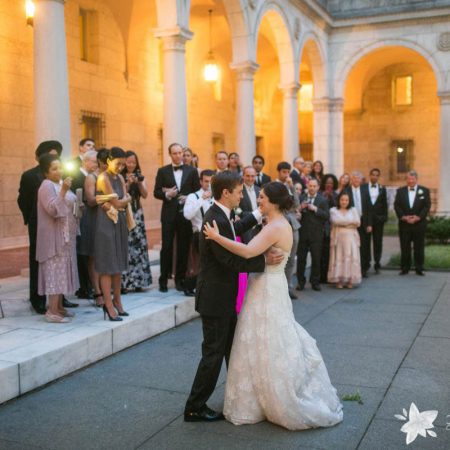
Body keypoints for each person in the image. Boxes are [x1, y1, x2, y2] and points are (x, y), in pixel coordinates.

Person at [202, 181, 343, 430]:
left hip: (266, 288)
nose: (258, 200)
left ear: (275, 202)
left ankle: (270, 396)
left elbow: (246, 252)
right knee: (266, 341)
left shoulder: (276, 226)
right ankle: (262, 395)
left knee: (265, 340)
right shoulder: (276, 223)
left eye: (263, 197)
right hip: (268, 285)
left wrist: (216, 237)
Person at [184, 172, 284, 422]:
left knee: (231, 349)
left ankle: (242, 397)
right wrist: (263, 261)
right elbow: (229, 260)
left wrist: (258, 215)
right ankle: (194, 406)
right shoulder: (213, 220)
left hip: (223, 298)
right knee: (214, 353)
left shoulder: (222, 215)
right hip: (215, 299)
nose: (243, 195)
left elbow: (234, 229)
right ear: (226, 193)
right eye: (239, 191)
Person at [17, 140, 78, 314]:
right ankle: (38, 300)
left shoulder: (59, 179)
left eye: (57, 155)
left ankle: (59, 302)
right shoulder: (31, 176)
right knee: (41, 263)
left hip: (60, 228)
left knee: (58, 266)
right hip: (41, 225)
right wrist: (31, 217)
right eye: (50, 154)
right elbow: (23, 200)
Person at [36, 154, 79, 323]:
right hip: (54, 237)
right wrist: (63, 191)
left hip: (66, 236)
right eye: (54, 169)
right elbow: (52, 209)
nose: (58, 171)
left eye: (60, 167)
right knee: (55, 271)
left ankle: (59, 307)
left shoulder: (60, 183)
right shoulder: (46, 186)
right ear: (46, 172)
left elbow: (70, 203)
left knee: (63, 270)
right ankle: (51, 311)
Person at [153, 143, 201, 292]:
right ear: (170, 154)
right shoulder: (162, 171)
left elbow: (197, 191)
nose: (178, 155)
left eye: (180, 153)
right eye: (175, 153)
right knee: (166, 248)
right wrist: (167, 194)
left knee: (183, 248)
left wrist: (189, 197)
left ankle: (180, 280)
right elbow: (156, 192)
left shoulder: (192, 171)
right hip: (168, 214)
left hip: (185, 215)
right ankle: (163, 280)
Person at [94, 147, 131, 321]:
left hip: (120, 222)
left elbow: (122, 199)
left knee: (118, 266)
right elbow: (118, 203)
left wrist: (123, 201)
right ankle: (108, 306)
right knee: (107, 266)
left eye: (123, 164)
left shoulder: (121, 177)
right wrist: (125, 201)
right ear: (109, 160)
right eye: (118, 163)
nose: (120, 167)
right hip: (106, 222)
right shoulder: (103, 178)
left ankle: (118, 301)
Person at [79, 149, 108, 307]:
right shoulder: (91, 177)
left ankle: (105, 288)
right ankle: (97, 292)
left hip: (106, 218)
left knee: (103, 256)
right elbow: (90, 200)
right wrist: (109, 197)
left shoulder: (108, 176)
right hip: (93, 219)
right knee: (93, 256)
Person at [121, 150, 152, 293]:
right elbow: (121, 194)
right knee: (126, 246)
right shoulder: (119, 176)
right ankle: (125, 282)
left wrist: (138, 182)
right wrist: (127, 182)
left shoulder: (140, 176)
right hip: (124, 213)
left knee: (138, 247)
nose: (131, 164)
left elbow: (145, 195)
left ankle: (140, 281)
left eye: (133, 162)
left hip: (137, 214)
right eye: (129, 162)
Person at [183, 169, 215, 296]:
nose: (208, 184)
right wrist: (202, 199)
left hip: (216, 235)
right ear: (201, 182)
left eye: (211, 181)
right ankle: (193, 286)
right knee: (199, 264)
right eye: (206, 181)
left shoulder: (218, 197)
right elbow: (187, 215)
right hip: (199, 235)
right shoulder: (193, 196)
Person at [394, 170, 431, 276]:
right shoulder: (400, 191)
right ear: (406, 179)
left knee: (419, 247)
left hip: (419, 224)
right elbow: (397, 205)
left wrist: (418, 217)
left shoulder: (424, 190)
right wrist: (403, 217)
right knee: (404, 246)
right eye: (408, 179)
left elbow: (427, 206)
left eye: (412, 179)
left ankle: (419, 268)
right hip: (404, 224)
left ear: (416, 179)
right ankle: (405, 268)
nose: (410, 181)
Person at [73, 151, 98, 300]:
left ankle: (89, 285)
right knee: (82, 252)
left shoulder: (96, 176)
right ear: (86, 161)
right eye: (94, 162)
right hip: (80, 218)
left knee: (89, 253)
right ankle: (83, 287)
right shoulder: (76, 176)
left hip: (91, 218)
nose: (96, 165)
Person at [296, 178, 330, 291]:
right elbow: (294, 212)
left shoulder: (323, 200)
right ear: (307, 186)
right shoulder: (301, 198)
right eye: (310, 186)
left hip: (316, 234)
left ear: (318, 187)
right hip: (303, 233)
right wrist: (300, 207)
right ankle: (301, 282)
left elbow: (326, 216)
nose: (312, 188)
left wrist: (315, 209)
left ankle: (315, 282)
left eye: (314, 186)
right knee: (301, 259)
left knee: (316, 259)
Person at [276, 162, 300, 299]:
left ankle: (288, 286)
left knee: (291, 259)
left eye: (288, 172)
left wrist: (291, 187)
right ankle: (279, 288)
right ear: (279, 172)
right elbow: (280, 207)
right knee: (281, 257)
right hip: (280, 225)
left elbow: (296, 204)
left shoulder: (290, 186)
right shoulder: (274, 186)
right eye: (284, 172)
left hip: (293, 226)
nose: (286, 175)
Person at [328, 192, 362, 289]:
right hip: (338, 238)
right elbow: (335, 221)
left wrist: (343, 223)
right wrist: (350, 223)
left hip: (351, 238)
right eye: (342, 200)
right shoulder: (333, 210)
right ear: (339, 200)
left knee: (350, 257)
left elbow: (358, 222)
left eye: (346, 200)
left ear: (349, 201)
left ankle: (350, 280)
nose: (344, 202)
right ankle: (339, 280)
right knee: (339, 257)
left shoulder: (353, 210)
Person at [345, 172, 372, 278]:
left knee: (364, 246)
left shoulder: (365, 191)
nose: (356, 181)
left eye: (358, 179)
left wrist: (369, 224)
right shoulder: (346, 191)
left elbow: (369, 209)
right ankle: (353, 269)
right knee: (352, 246)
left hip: (364, 222)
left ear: (361, 180)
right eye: (354, 179)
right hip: (351, 223)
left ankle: (364, 269)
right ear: (351, 180)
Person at [364, 168, 388, 274]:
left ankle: (377, 263)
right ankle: (366, 263)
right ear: (370, 175)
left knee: (378, 242)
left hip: (378, 220)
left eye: (376, 175)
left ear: (379, 176)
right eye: (373, 174)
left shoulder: (382, 188)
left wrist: (384, 217)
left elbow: (384, 205)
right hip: (366, 220)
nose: (374, 176)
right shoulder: (363, 187)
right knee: (366, 242)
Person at [320, 174, 338, 283]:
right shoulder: (319, 194)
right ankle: (320, 276)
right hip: (320, 227)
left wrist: (331, 198)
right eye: (327, 183)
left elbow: (337, 208)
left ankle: (327, 275)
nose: (329, 185)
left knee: (328, 253)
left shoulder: (336, 195)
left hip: (331, 228)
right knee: (319, 254)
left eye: (331, 183)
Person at [238, 166, 261, 243]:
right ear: (243, 176)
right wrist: (249, 214)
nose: (250, 179)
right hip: (245, 226)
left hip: (259, 226)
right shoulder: (238, 190)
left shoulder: (259, 190)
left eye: (252, 176)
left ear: (256, 176)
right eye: (248, 176)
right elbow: (235, 208)